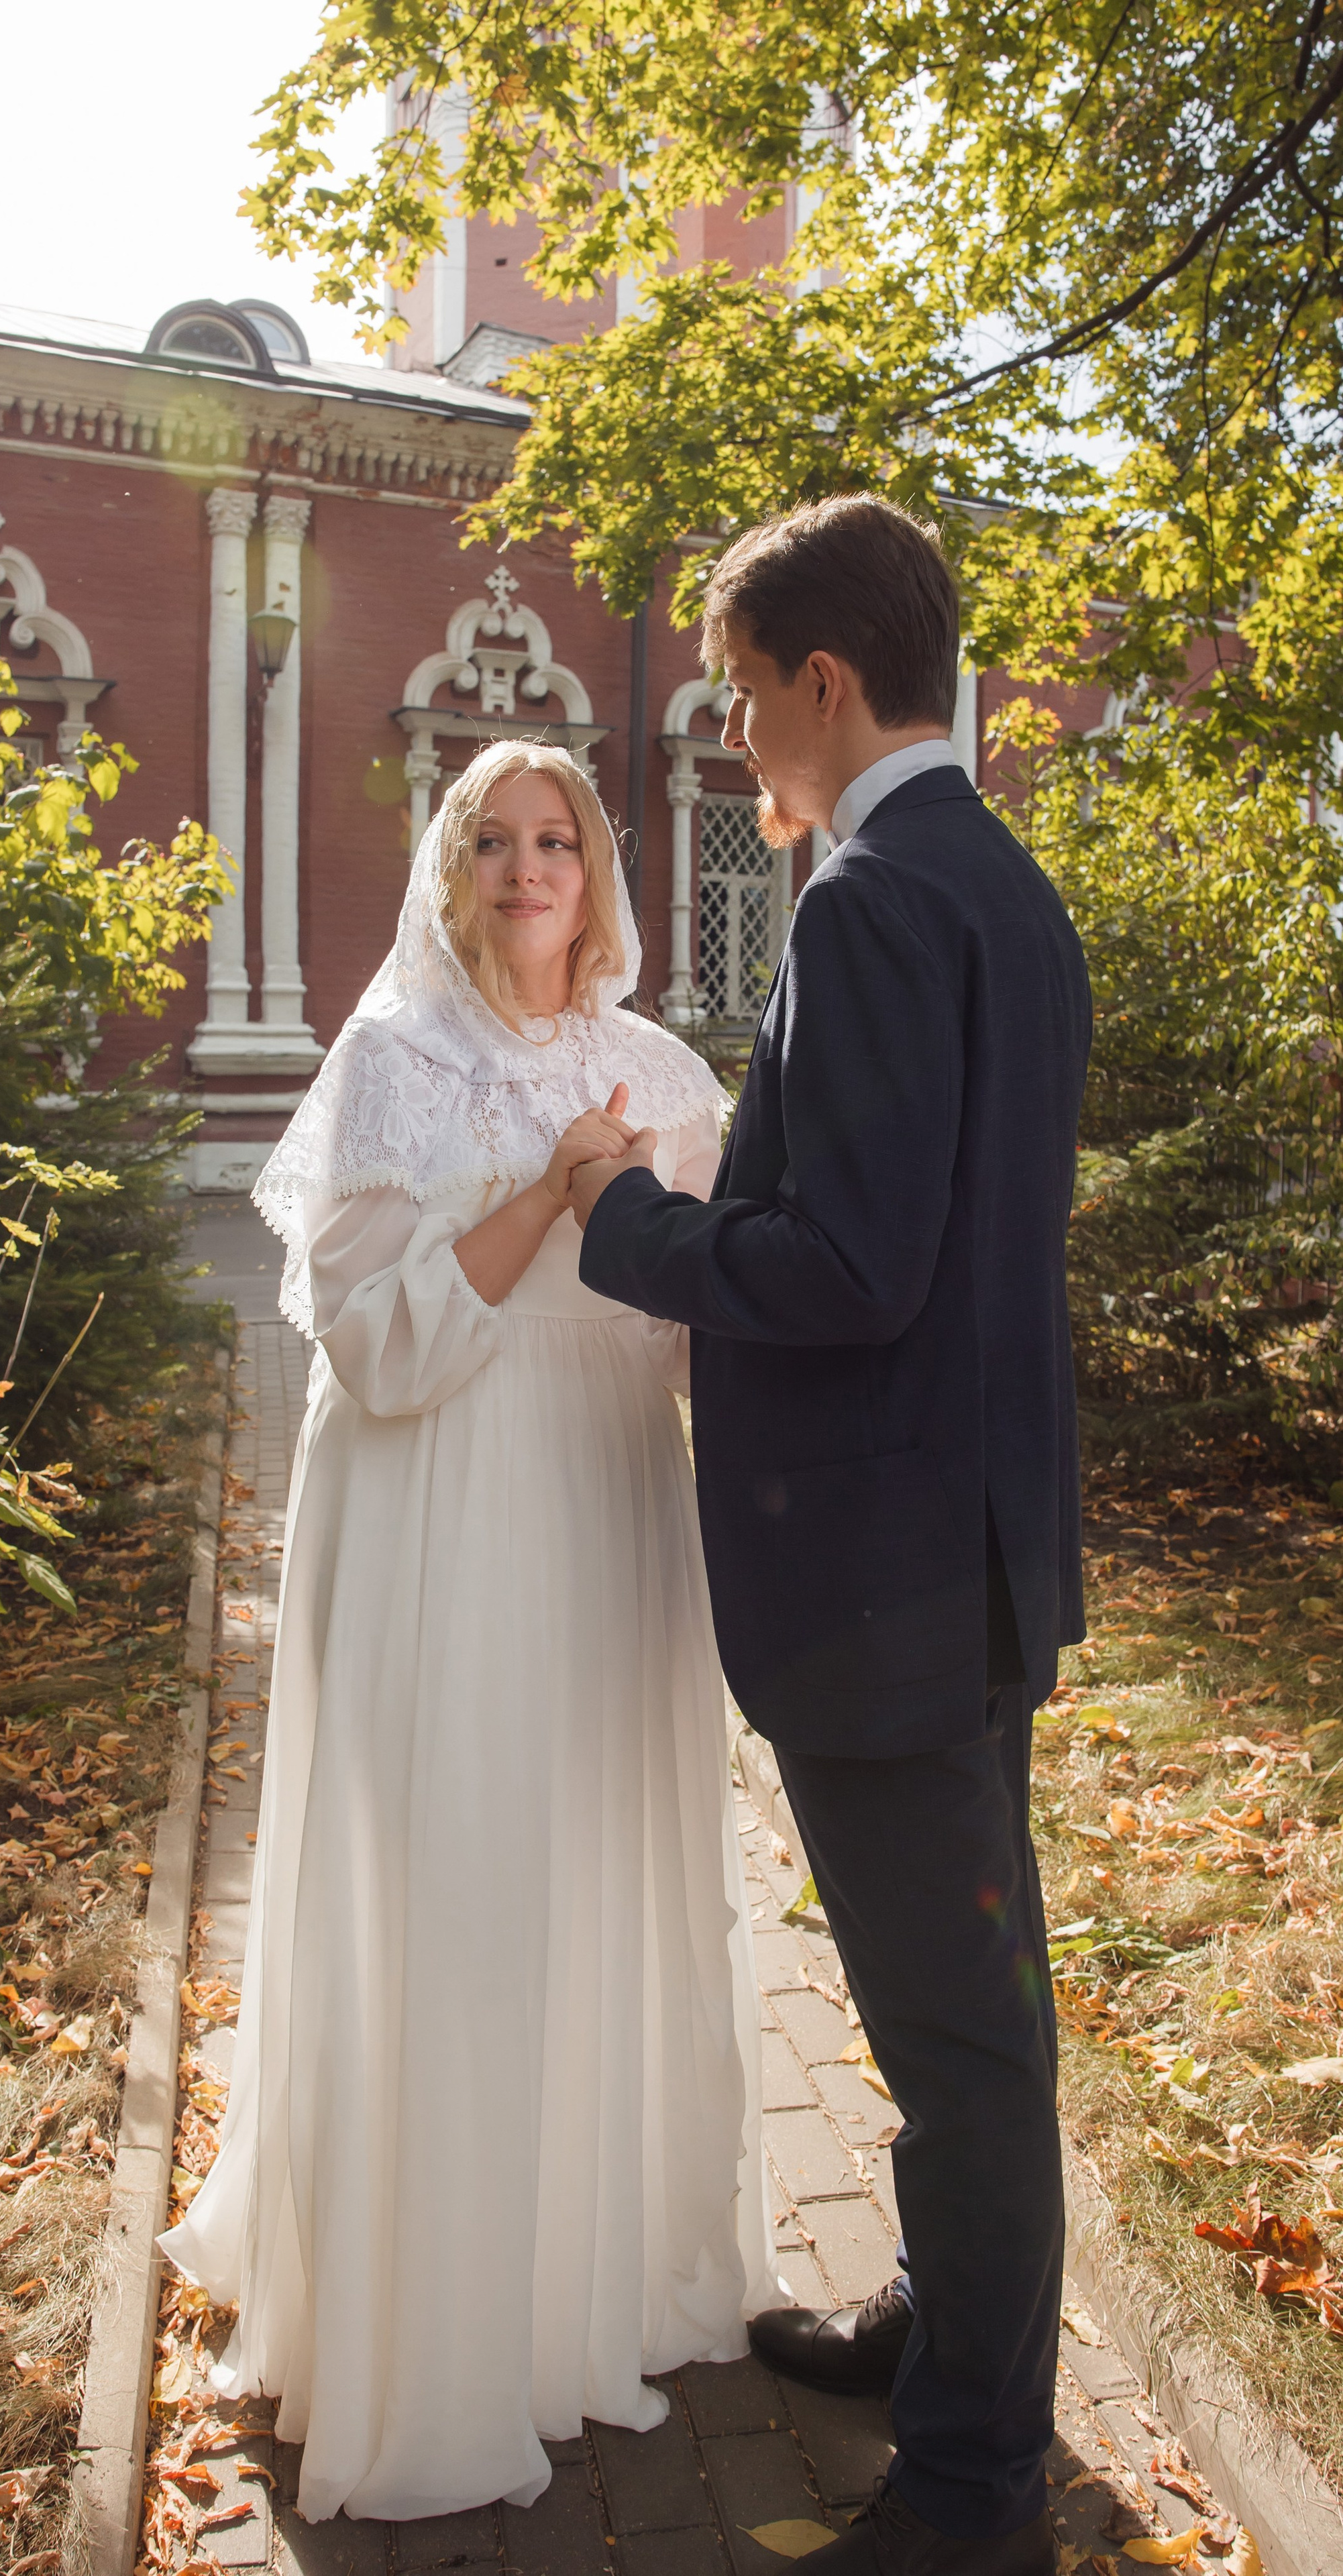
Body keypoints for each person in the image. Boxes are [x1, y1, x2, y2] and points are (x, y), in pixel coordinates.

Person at [158, 739, 774, 2524]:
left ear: (600, 871)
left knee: (587, 1874)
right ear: (454, 872)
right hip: (438, 1524)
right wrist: (555, 1191)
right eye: (492, 840)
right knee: (453, 1884)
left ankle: (589, 2291)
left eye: (556, 837)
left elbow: (692, 1338)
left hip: (603, 1515)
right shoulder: (388, 1064)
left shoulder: (666, 1073)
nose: (527, 868)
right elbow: (381, 1349)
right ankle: (434, 2333)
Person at [571, 496, 1091, 2576]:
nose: (733, 744)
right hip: (965, 1549)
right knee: (949, 2006)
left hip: (883, 1583)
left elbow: (856, 1264)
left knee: (965, 2042)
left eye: (738, 697)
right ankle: (942, 2331)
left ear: (822, 679)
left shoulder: (873, 898)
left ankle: (976, 2482)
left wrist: (640, 1230)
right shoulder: (1001, 882)